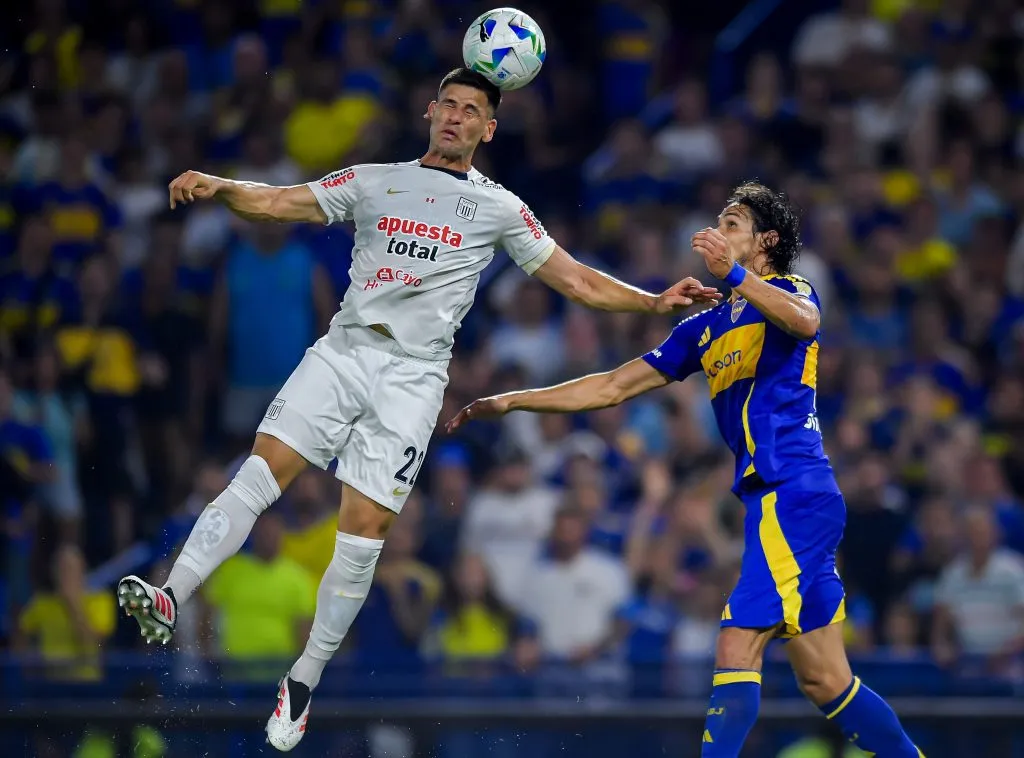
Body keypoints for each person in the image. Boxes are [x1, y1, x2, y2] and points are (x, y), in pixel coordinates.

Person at [115, 67, 720, 751]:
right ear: (430, 112)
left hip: (413, 378)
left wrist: (650, 301)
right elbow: (282, 203)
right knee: (264, 469)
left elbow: (575, 278)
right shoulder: (375, 180)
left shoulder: (501, 208)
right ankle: (171, 594)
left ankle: (304, 680)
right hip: (344, 350)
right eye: (450, 106)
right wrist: (223, 186)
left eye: (473, 111)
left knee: (363, 528)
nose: (458, 118)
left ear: (489, 129)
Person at [447, 182, 925, 758]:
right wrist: (513, 400)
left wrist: (735, 276)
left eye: (734, 223)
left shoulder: (787, 290)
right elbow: (611, 386)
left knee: (736, 644)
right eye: (718, 221)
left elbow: (804, 323)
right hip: (780, 500)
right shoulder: (702, 328)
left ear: (765, 240)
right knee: (827, 681)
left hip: (793, 491)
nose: (719, 231)